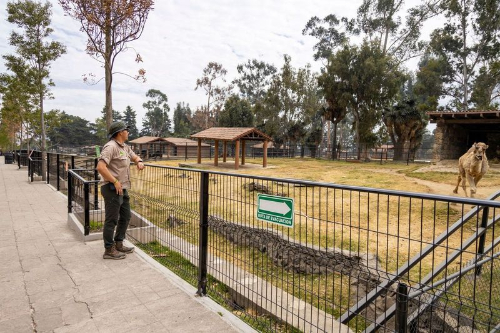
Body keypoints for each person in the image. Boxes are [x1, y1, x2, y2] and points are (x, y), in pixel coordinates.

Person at [96, 121, 145, 259]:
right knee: (112, 219)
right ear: (119, 133)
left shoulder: (124, 147)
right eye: (126, 130)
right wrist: (115, 181)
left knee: (126, 216)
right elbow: (100, 167)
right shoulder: (110, 147)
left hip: (122, 188)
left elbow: (134, 156)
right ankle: (109, 249)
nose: (128, 132)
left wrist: (139, 161)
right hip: (111, 188)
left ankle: (119, 243)